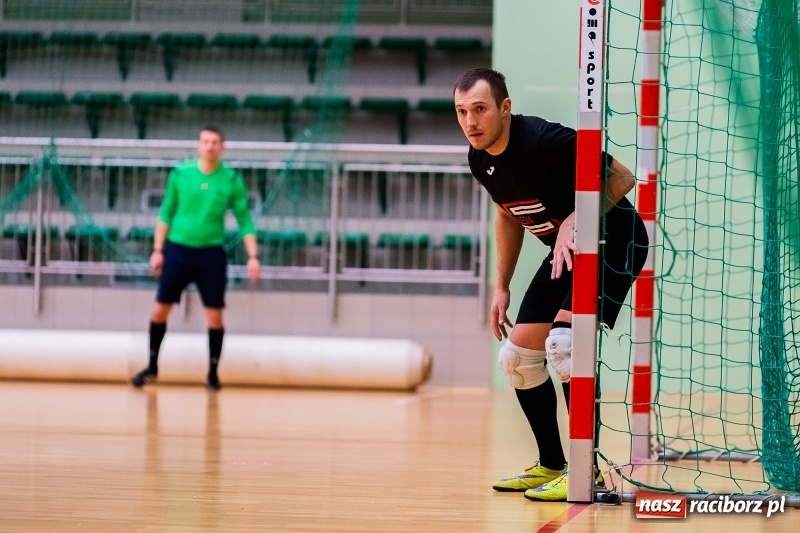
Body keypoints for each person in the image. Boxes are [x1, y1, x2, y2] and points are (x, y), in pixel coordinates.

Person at [453, 68, 648, 501]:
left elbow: (622, 177)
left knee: (564, 344)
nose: (471, 122)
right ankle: (551, 464)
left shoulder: (546, 141)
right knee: (518, 359)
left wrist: (578, 216)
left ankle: (587, 472)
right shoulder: (479, 158)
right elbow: (507, 214)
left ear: (505, 107)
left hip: (615, 242)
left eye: (480, 109)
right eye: (462, 112)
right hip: (568, 252)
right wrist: (501, 286)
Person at [130, 125, 261, 391]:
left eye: (215, 142)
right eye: (205, 141)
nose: (210, 146)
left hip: (210, 254)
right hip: (178, 250)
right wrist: (158, 250)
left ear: (222, 147)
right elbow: (166, 213)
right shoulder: (180, 174)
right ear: (198, 145)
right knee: (160, 310)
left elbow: (244, 219)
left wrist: (253, 256)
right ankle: (152, 366)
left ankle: (212, 373)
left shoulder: (231, 180)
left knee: (214, 315)